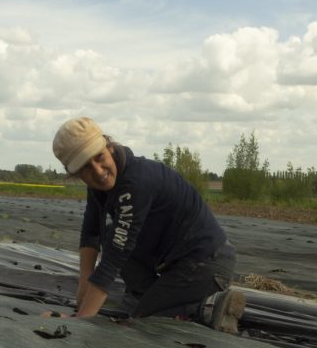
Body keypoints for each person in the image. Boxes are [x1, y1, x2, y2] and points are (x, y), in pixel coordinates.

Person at [50, 117, 245, 333]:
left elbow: (115, 256)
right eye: (85, 168)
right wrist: (83, 286)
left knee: (140, 324)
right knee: (109, 234)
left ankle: (207, 308)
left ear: (109, 146)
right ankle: (144, 297)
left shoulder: (135, 182)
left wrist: (80, 321)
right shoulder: (100, 186)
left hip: (206, 264)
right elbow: (91, 232)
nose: (97, 171)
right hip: (173, 263)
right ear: (75, 173)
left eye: (99, 157)